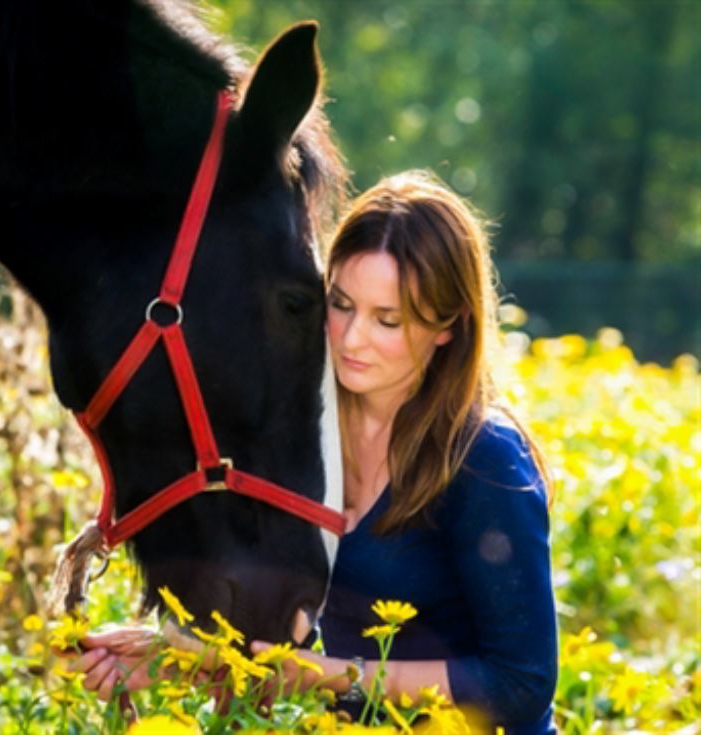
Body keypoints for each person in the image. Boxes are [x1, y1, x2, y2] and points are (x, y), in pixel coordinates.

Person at [71, 170, 558, 733]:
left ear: (448, 324)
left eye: (388, 320)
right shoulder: (302, 432)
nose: (351, 339)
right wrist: (175, 656)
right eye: (341, 304)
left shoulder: (483, 459)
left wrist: (328, 676)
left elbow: (521, 685)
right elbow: (289, 630)